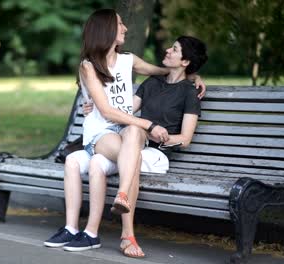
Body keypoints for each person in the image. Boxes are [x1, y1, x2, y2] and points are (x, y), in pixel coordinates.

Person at [43, 8, 207, 256]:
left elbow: (161, 71)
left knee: (100, 159)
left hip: (121, 135)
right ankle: (127, 234)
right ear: (107, 29)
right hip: (102, 134)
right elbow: (109, 112)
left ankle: (87, 232)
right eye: (120, 24)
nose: (126, 28)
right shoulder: (89, 66)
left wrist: (192, 74)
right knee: (131, 155)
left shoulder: (128, 60)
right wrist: (148, 125)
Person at [78, 35, 208, 258]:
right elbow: (125, 114)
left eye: (174, 49)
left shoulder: (189, 92)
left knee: (130, 147)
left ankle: (118, 228)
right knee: (122, 145)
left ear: (185, 62)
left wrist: (161, 136)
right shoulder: (152, 83)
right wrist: (96, 108)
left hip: (158, 153)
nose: (167, 50)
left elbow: (185, 138)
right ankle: (123, 230)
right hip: (136, 145)